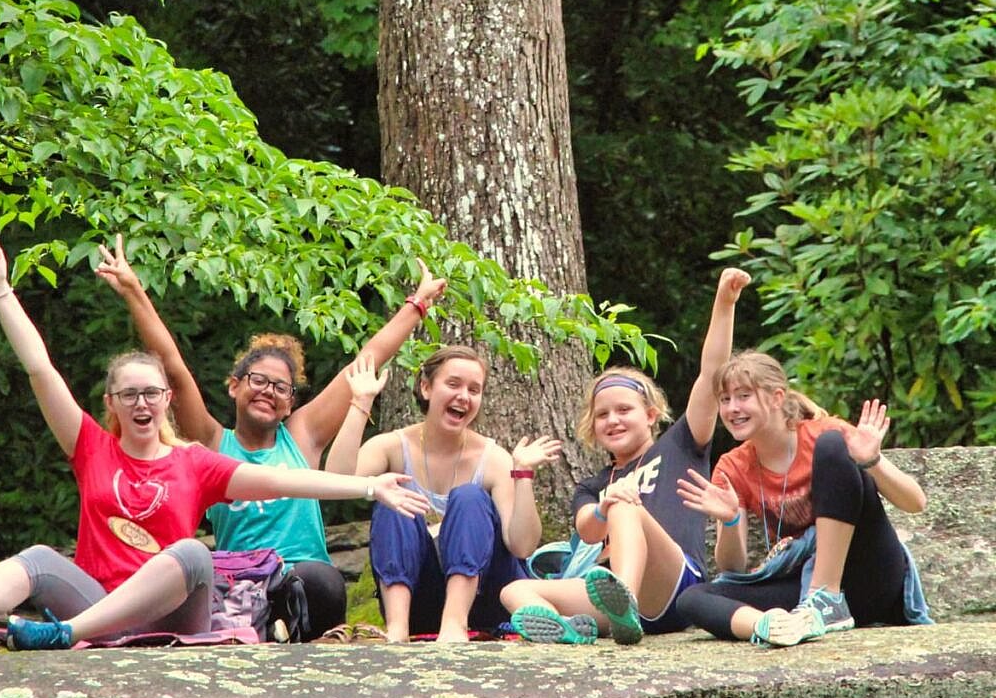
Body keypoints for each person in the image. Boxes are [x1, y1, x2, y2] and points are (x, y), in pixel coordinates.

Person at [0, 234, 429, 651]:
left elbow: (287, 479)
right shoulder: (111, 446)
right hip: (102, 605)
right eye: (129, 394)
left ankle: (67, 633)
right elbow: (42, 370)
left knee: (197, 554)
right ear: (111, 402)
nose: (141, 403)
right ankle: (71, 628)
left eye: (151, 393)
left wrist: (371, 487)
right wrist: (0, 292)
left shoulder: (206, 458)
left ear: (165, 400)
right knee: (37, 559)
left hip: (174, 611)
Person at [96, 234, 446, 639]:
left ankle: (288, 632)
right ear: (234, 386)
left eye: (281, 388)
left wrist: (417, 306)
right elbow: (173, 368)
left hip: (304, 579)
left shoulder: (301, 436)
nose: (268, 391)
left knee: (323, 581)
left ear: (290, 404)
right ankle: (260, 629)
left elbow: (366, 360)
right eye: (258, 380)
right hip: (239, 582)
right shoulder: (211, 444)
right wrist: (134, 290)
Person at [499, 268, 751, 645]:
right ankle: (568, 630)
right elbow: (588, 528)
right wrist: (603, 505)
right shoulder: (594, 483)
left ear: (650, 415)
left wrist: (724, 303)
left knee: (623, 506)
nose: (612, 420)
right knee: (513, 591)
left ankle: (625, 600)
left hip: (673, 586)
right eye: (602, 415)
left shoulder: (681, 445)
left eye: (624, 410)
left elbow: (712, 373)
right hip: (607, 594)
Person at [674, 350, 929, 647]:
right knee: (693, 598)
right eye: (725, 400)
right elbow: (732, 566)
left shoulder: (826, 435)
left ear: (776, 397)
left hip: (869, 574)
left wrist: (872, 461)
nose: (732, 409)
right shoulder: (733, 467)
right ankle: (770, 626)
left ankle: (825, 596)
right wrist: (729, 520)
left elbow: (916, 503)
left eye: (743, 396)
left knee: (833, 446)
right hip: (802, 591)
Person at [325, 345, 562, 642]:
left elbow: (522, 547)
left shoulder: (494, 459)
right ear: (426, 387)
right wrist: (361, 402)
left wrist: (523, 474)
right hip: (419, 601)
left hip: (484, 600)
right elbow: (335, 482)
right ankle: (397, 631)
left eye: (474, 390)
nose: (464, 396)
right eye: (453, 384)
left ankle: (455, 624)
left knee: (469, 497)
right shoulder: (391, 446)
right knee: (391, 499)